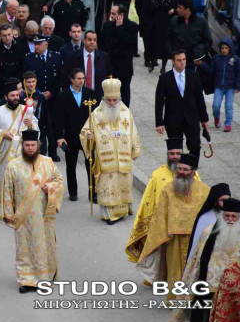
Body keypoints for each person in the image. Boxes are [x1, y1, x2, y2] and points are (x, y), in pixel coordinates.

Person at [136, 154, 210, 299]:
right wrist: (163, 234)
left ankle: (191, 301)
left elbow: (208, 215)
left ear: (193, 171)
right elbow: (160, 214)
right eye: (179, 168)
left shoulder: (204, 190)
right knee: (175, 271)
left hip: (195, 239)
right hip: (174, 239)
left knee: (194, 271)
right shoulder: (168, 189)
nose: (181, 172)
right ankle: (174, 300)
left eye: (185, 169)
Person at [2, 129, 64, 293]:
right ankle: (26, 280)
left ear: (38, 145)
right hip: (23, 217)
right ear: (22, 146)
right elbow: (7, 191)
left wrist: (49, 188)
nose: (30, 148)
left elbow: (59, 180)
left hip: (44, 215)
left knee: (44, 246)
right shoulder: (13, 166)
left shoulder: (48, 162)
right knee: (24, 248)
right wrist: (8, 214)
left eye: (33, 145)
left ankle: (44, 279)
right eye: (27, 145)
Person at [167, 198, 240, 322]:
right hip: (208, 286)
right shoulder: (208, 232)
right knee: (205, 319)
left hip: (232, 290)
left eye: (233, 216)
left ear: (239, 217)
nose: (230, 219)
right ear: (221, 215)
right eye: (227, 216)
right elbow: (196, 260)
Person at [126, 138, 200, 263]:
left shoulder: (192, 173)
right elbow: (148, 200)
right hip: (163, 224)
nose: (175, 157)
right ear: (167, 155)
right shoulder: (157, 175)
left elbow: (199, 197)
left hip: (184, 224)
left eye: (178, 153)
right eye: (172, 153)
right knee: (163, 259)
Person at [79, 78, 142, 224]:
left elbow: (133, 131)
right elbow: (85, 132)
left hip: (123, 157)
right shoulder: (96, 114)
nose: (112, 103)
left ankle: (125, 210)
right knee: (108, 185)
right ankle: (109, 214)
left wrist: (135, 149)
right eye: (109, 100)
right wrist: (88, 136)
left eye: (115, 100)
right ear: (104, 99)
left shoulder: (126, 112)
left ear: (119, 99)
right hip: (105, 160)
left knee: (123, 184)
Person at [0, 81, 38, 198]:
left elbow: (35, 127)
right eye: (12, 95)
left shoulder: (26, 110)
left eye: (17, 95)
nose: (15, 98)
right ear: (6, 97)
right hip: (5, 150)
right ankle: (6, 197)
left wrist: (31, 125)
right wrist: (3, 133)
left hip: (22, 150)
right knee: (6, 174)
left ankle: (22, 195)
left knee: (22, 174)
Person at [155, 50, 209, 158]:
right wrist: (159, 122)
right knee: (175, 150)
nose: (182, 62)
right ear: (173, 61)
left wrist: (204, 119)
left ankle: (192, 171)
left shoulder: (193, 76)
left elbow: (199, 98)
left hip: (192, 118)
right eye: (179, 60)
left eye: (184, 59)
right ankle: (175, 172)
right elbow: (159, 101)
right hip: (173, 120)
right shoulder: (165, 78)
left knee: (195, 146)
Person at [54, 68, 95, 201]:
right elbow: (58, 118)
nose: (81, 81)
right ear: (72, 79)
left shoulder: (90, 94)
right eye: (78, 78)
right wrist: (60, 136)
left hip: (87, 135)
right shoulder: (63, 95)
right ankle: (73, 192)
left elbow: (96, 115)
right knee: (71, 165)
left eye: (83, 78)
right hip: (70, 135)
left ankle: (93, 192)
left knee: (91, 163)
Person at [197, 38, 240, 133]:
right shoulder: (216, 58)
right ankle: (217, 118)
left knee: (228, 106)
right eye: (222, 48)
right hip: (219, 87)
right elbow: (210, 70)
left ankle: (228, 123)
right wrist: (202, 64)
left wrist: (238, 86)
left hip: (230, 87)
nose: (224, 50)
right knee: (216, 105)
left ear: (230, 48)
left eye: (226, 48)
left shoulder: (236, 59)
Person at [99, 3, 139, 107]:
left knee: (125, 92)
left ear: (121, 15)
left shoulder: (132, 26)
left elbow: (131, 46)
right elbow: (102, 45)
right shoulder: (107, 26)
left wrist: (119, 28)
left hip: (124, 67)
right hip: (110, 65)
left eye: (113, 13)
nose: (111, 15)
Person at [186, 183, 233, 263]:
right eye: (223, 200)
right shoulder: (205, 218)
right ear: (215, 201)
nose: (226, 203)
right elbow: (197, 242)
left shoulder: (234, 215)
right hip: (210, 259)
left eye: (228, 200)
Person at [62, 30, 112, 100]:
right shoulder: (72, 56)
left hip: (98, 96)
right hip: (77, 96)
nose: (92, 42)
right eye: (90, 40)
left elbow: (109, 76)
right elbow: (66, 76)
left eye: (94, 40)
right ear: (84, 41)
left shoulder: (104, 57)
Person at [166, 0, 212, 70]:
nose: (177, 10)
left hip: (194, 63)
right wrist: (172, 54)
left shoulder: (201, 22)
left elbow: (208, 41)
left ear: (187, 10)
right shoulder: (174, 21)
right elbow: (168, 39)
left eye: (180, 8)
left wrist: (199, 52)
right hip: (178, 61)